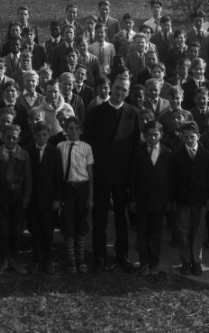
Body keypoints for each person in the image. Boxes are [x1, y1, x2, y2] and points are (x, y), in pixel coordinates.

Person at [83, 78, 140, 272]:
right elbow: (88, 143)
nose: (119, 92)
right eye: (117, 88)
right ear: (110, 89)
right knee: (99, 216)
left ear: (128, 92)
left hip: (122, 174)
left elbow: (135, 146)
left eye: (124, 90)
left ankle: (122, 255)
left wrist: (131, 176)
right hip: (101, 172)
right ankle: (99, 256)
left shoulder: (133, 113)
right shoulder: (96, 112)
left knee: (121, 218)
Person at [128, 120, 172, 276]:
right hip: (142, 199)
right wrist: (132, 199)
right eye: (149, 135)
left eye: (156, 134)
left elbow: (169, 178)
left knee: (155, 233)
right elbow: (132, 177)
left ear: (161, 135)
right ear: (144, 135)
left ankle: (154, 263)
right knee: (142, 233)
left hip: (159, 200)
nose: (153, 137)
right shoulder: (138, 152)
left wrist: (168, 199)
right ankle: (144, 263)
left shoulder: (167, 153)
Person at [170, 121, 209, 277]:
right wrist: (174, 199)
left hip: (200, 199)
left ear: (198, 136)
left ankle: (196, 261)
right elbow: (173, 179)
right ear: (182, 137)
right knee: (183, 231)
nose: (189, 140)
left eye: (192, 137)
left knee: (198, 231)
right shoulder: (177, 155)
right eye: (186, 137)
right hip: (183, 199)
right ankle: (186, 261)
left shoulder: (205, 155)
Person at [0, 124, 32, 276]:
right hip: (2, 194)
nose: (10, 140)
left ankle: (14, 259)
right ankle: (3, 260)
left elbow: (28, 178)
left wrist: (26, 199)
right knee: (2, 228)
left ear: (18, 139)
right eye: (8, 137)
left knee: (17, 228)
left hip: (18, 194)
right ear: (3, 137)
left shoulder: (24, 155)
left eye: (14, 138)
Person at [25, 121, 63, 274]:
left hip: (49, 200)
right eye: (38, 135)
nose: (41, 138)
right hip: (33, 199)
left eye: (44, 135)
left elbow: (59, 177)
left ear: (49, 135)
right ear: (34, 135)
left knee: (48, 230)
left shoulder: (54, 152)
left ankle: (48, 259)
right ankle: (35, 259)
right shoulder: (27, 150)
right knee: (35, 231)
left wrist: (57, 199)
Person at [59, 115, 94, 274]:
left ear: (81, 130)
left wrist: (90, 196)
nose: (73, 131)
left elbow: (90, 173)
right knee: (68, 222)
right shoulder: (60, 147)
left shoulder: (86, 147)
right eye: (70, 128)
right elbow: (58, 171)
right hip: (67, 188)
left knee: (81, 222)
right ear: (65, 130)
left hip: (82, 188)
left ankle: (81, 258)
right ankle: (70, 259)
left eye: (76, 128)